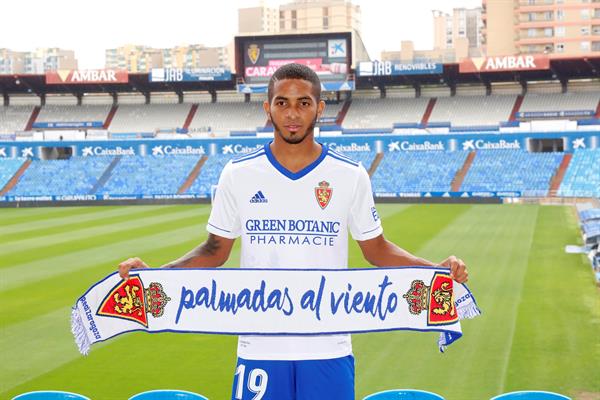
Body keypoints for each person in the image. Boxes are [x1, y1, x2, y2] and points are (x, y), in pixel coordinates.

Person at [119, 63, 468, 400]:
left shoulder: (350, 175)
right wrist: (155, 277)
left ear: (320, 108)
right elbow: (215, 250)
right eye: (282, 103)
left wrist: (435, 271)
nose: (292, 113)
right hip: (261, 344)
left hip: (328, 344)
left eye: (303, 103)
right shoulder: (238, 174)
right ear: (267, 109)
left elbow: (376, 249)